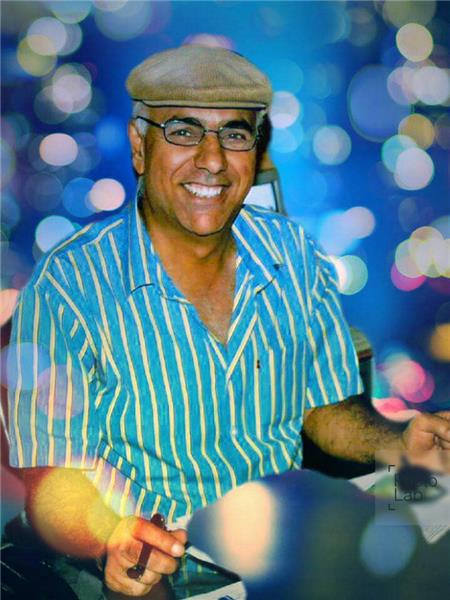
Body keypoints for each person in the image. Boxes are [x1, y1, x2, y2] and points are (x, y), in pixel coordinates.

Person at [7, 45, 450, 598]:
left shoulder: (291, 251)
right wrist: (109, 537)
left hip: (294, 553)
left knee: (431, 529)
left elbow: (325, 408)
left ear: (256, 151)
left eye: (235, 134)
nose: (213, 160)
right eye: (183, 132)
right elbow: (51, 479)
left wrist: (398, 441)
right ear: (140, 146)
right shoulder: (70, 286)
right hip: (157, 576)